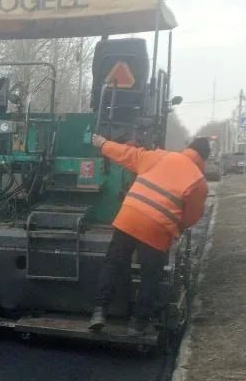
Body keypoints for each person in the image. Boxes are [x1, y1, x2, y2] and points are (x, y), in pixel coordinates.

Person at [88, 135, 210, 335]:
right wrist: (175, 227)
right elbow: (192, 217)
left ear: (187, 148)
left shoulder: (161, 156)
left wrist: (104, 144)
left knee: (113, 264)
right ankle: (137, 324)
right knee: (150, 276)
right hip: (157, 230)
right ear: (204, 158)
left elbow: (128, 155)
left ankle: (99, 312)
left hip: (129, 218)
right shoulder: (199, 183)